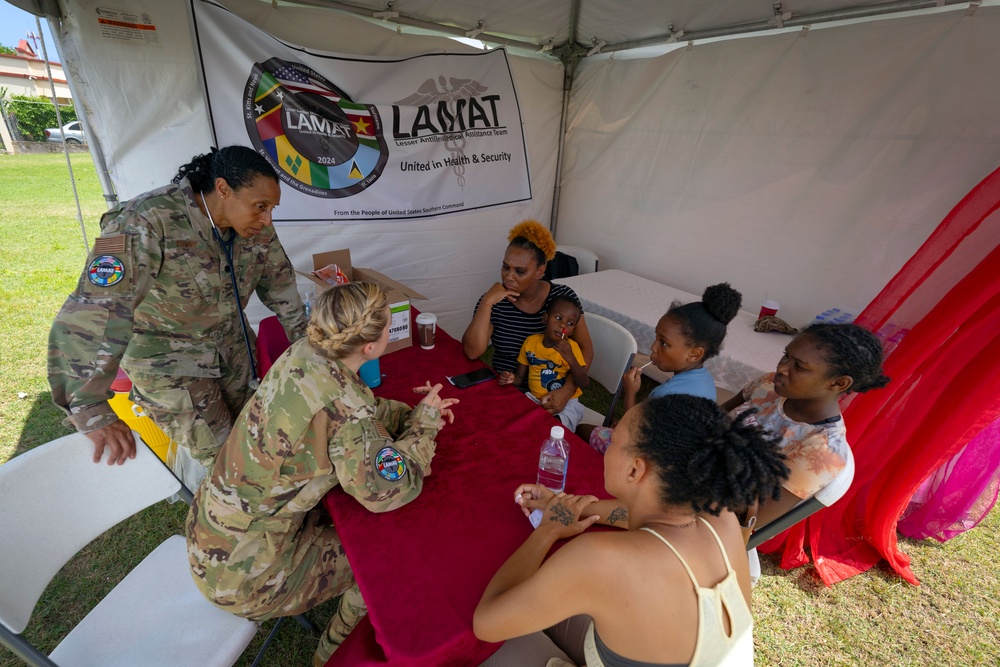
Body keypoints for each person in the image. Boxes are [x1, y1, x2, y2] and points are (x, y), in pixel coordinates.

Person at [186, 282, 458, 667]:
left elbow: (354, 407)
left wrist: (408, 413)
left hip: (211, 532)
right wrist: (425, 425)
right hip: (244, 578)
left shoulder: (306, 351)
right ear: (371, 347)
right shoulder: (345, 411)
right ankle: (332, 657)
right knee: (379, 559)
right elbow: (390, 491)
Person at [47, 145, 305, 490]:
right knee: (231, 465)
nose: (267, 218)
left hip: (232, 350)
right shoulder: (142, 221)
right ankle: (225, 534)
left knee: (254, 438)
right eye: (260, 206)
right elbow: (95, 309)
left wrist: (313, 346)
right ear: (223, 188)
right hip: (170, 367)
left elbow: (281, 285)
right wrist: (88, 406)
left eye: (272, 208)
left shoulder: (255, 227)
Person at [473, 394, 789, 667]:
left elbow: (486, 624)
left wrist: (547, 530)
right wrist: (565, 505)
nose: (606, 439)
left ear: (635, 469)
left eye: (613, 439)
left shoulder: (600, 560)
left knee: (491, 650)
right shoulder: (720, 517)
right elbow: (631, 517)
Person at [720, 322, 890, 528]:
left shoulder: (821, 451)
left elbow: (750, 521)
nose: (781, 368)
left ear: (838, 383)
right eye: (786, 355)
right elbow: (718, 415)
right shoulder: (768, 385)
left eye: (799, 366)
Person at [579, 283, 742, 454]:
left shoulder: (666, 395)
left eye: (664, 343)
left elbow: (633, 433)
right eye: (656, 338)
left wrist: (630, 393)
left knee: (582, 430)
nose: (653, 347)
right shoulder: (706, 381)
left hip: (645, 458)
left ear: (694, 354)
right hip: (678, 456)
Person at [463, 220, 594, 417]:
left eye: (520, 271)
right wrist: (487, 301)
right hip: (506, 388)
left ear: (540, 271)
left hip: (550, 393)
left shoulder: (561, 299)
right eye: (505, 267)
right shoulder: (496, 301)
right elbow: (472, 352)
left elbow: (586, 349)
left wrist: (567, 391)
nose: (509, 277)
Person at [499, 295, 589, 431]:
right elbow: (519, 377)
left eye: (570, 323)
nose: (563, 325)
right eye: (558, 318)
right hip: (534, 399)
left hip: (566, 404)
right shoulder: (531, 343)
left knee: (551, 428)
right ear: (545, 318)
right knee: (515, 421)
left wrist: (571, 358)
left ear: (572, 330)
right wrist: (510, 378)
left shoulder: (572, 348)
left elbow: (584, 383)